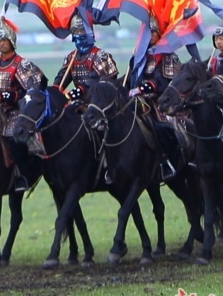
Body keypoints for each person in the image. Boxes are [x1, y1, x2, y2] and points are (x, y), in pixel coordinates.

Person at [0, 16, 46, 192]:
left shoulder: (21, 64)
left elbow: (28, 91)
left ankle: (23, 176)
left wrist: (6, 96)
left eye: (4, 40)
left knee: (15, 140)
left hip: (16, 111)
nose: (1, 44)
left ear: (11, 42)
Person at [128, 18, 183, 181]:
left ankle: (165, 160)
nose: (150, 36)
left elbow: (162, 82)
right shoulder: (139, 56)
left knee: (160, 127)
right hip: (138, 101)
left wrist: (141, 89)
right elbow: (131, 78)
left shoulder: (167, 56)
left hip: (160, 102)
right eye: (148, 32)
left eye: (153, 32)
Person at [53, 13, 118, 99]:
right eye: (76, 31)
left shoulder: (101, 56)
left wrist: (80, 90)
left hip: (98, 102)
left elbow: (97, 80)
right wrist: (54, 90)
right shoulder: (71, 57)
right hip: (80, 101)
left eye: (82, 31)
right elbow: (62, 78)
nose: (79, 34)